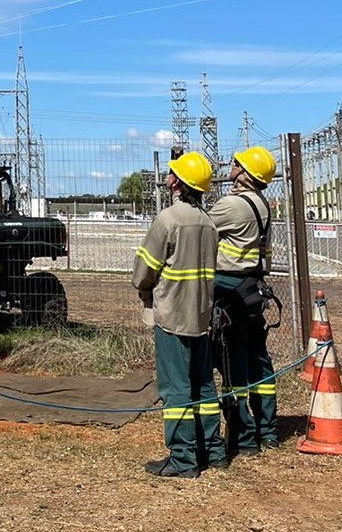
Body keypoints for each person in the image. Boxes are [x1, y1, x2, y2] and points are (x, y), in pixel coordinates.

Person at [132, 151, 226, 479]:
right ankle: (212, 449)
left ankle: (183, 458)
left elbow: (143, 272)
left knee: (175, 387)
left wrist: (144, 286)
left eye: (172, 173)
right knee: (203, 384)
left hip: (172, 315)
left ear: (177, 183)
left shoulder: (168, 220)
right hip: (201, 316)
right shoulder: (208, 221)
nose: (168, 177)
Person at [210, 145, 279, 456]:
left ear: (245, 173)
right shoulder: (262, 205)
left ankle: (244, 435)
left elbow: (198, 228)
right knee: (258, 360)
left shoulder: (232, 206)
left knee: (232, 361)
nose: (230, 167)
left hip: (230, 288)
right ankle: (268, 430)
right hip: (253, 286)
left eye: (235, 164)